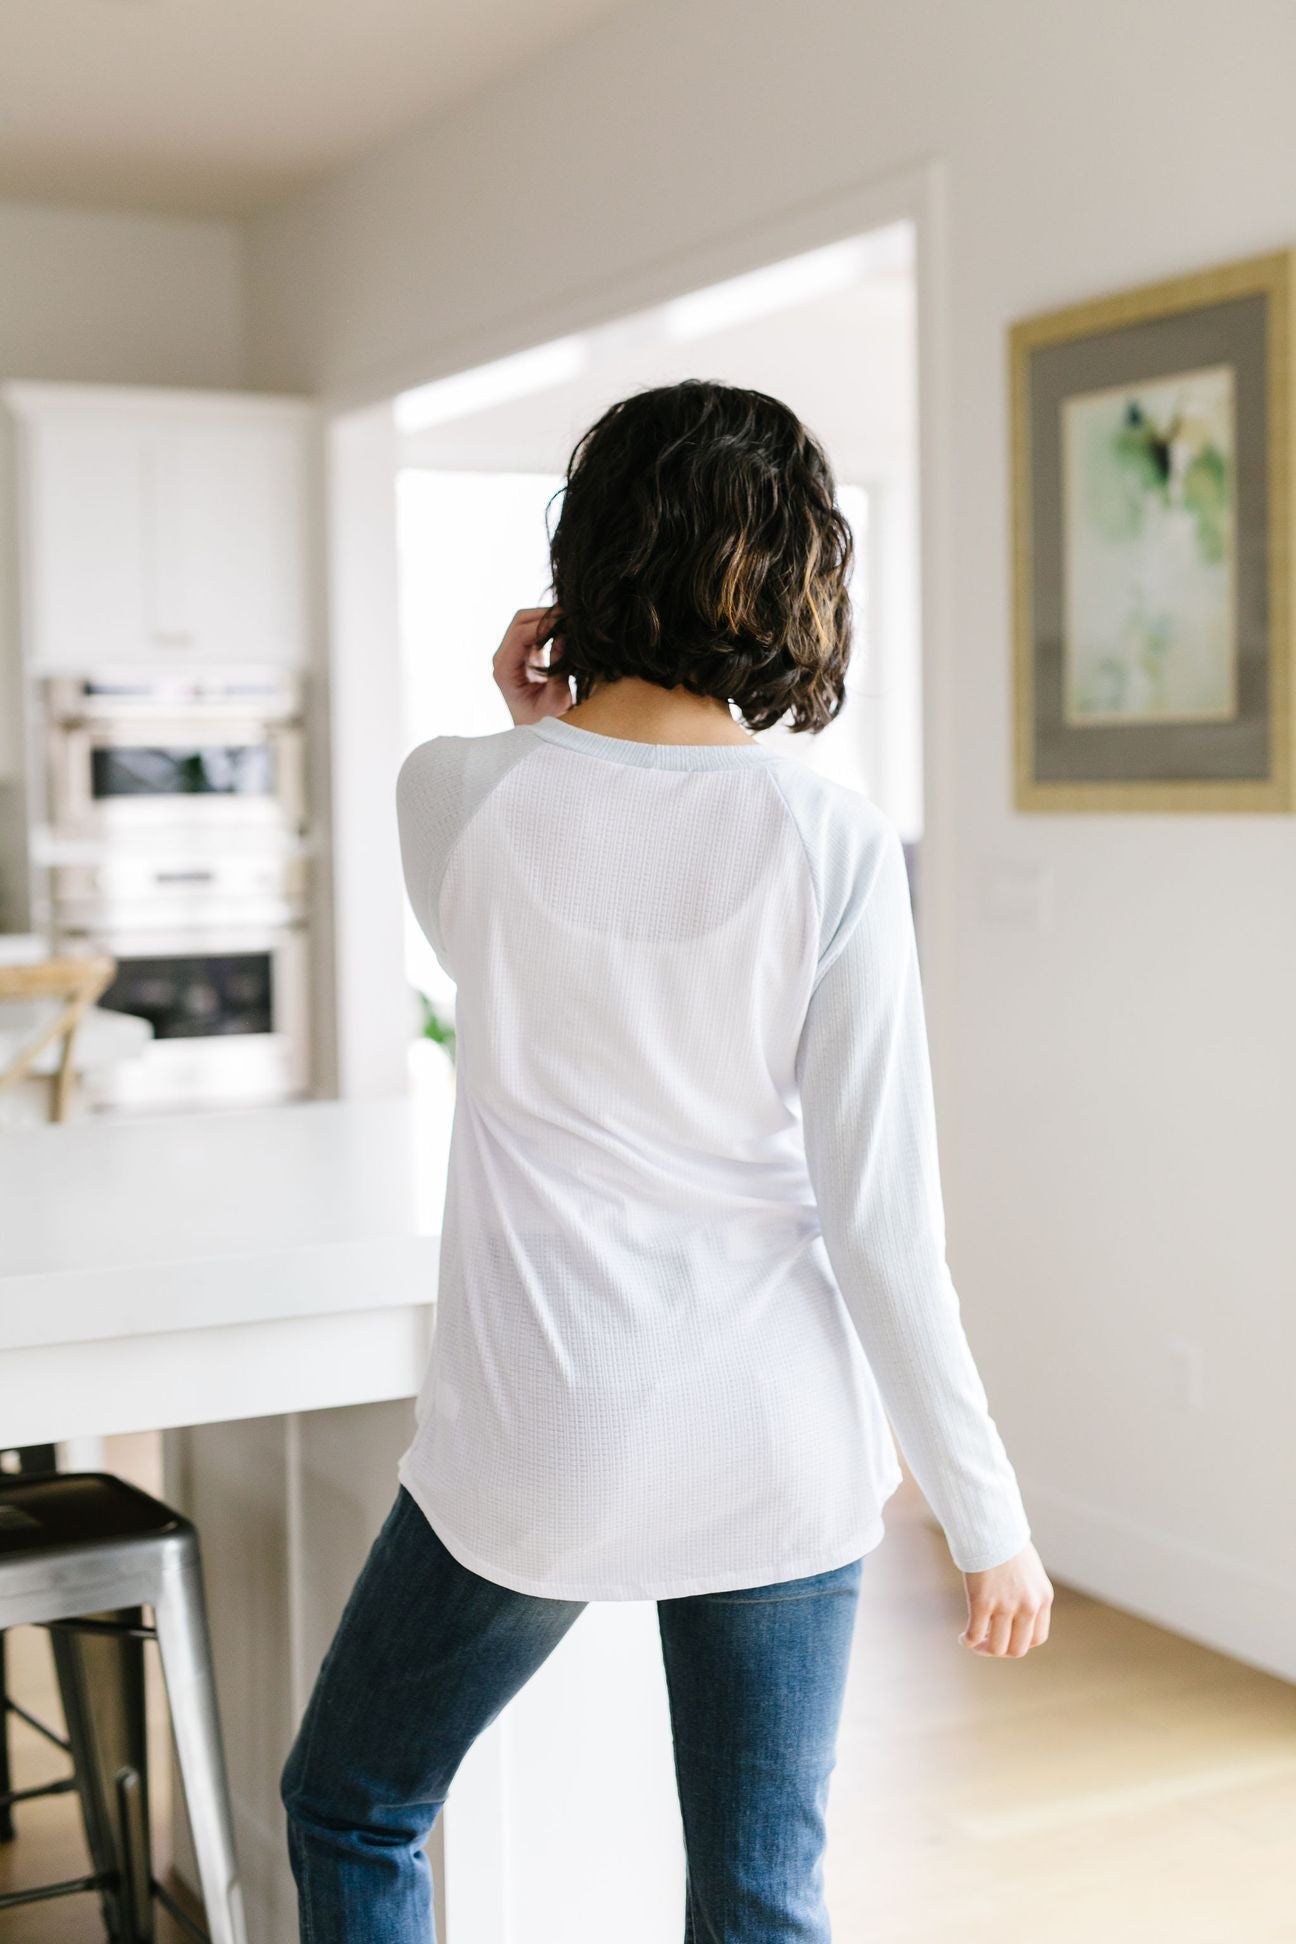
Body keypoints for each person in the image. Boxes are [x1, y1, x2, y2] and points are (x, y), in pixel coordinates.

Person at [280, 379, 1053, 1942]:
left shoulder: (457, 794)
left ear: (589, 560)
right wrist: (990, 1518)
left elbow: (537, 911)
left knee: (357, 1803)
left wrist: (533, 726)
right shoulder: (833, 845)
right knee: (763, 1893)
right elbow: (881, 1219)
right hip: (775, 1438)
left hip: (548, 1437)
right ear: (790, 574)